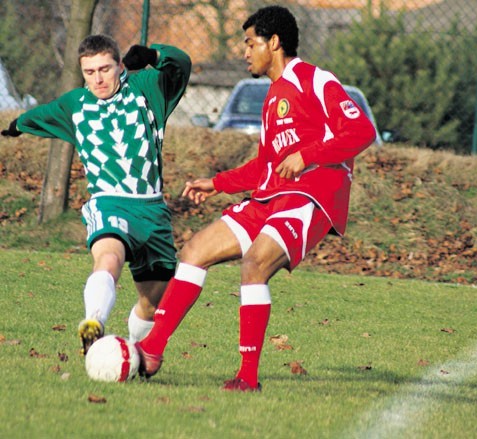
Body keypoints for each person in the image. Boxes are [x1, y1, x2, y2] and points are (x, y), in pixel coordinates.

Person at [135, 5, 376, 392]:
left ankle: (247, 377)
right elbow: (265, 166)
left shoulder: (314, 80)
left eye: (250, 43)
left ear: (274, 42)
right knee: (195, 249)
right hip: (271, 196)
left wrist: (307, 155)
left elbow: (361, 130)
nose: (245, 52)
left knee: (254, 264)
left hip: (311, 196)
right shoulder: (271, 98)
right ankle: (152, 349)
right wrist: (216, 183)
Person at [1, 35, 191, 354]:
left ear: (120, 65)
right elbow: (41, 114)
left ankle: (134, 352)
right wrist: (18, 124)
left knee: (152, 302)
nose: (98, 79)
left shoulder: (147, 88)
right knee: (108, 257)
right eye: (89, 72)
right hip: (108, 201)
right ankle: (94, 322)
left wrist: (153, 54)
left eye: (105, 69)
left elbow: (181, 63)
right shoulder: (75, 104)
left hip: (152, 210)